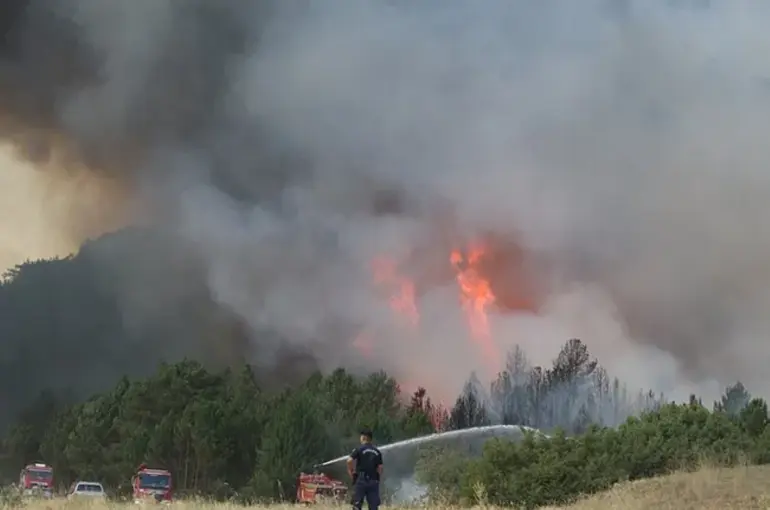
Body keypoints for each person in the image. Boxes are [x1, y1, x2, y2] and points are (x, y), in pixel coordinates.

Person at [347, 429, 383, 510]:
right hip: (373, 480)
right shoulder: (377, 451)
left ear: (363, 437)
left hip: (361, 480)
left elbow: (349, 460)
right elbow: (380, 468)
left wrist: (351, 472)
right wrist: (376, 479)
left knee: (357, 504)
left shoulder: (359, 449)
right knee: (373, 506)